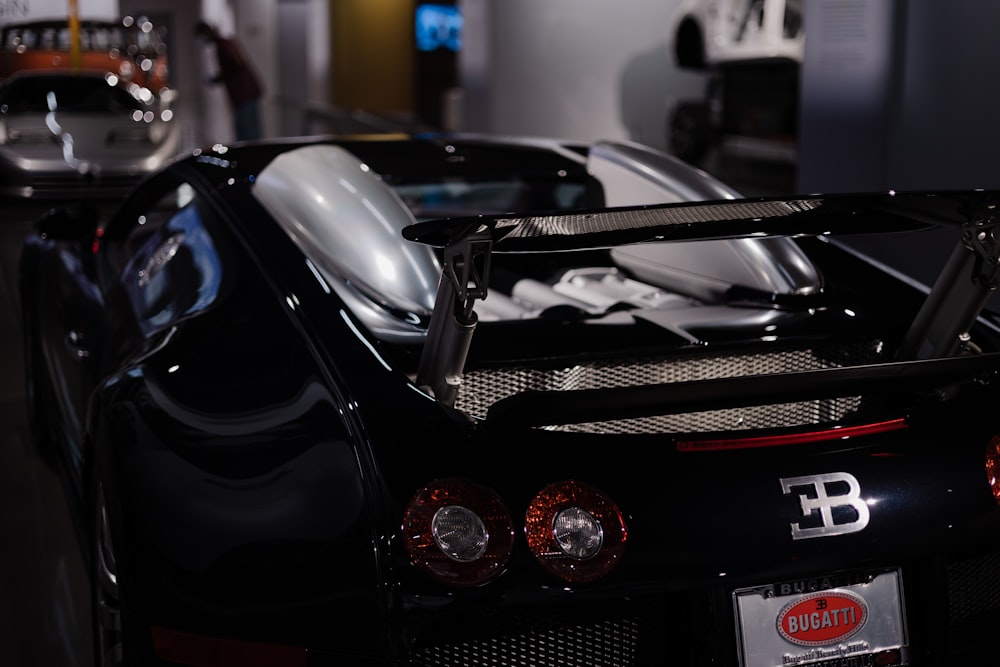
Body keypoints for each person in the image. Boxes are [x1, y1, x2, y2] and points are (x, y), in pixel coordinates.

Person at [194, 20, 264, 141]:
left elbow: (236, 65)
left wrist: (217, 78)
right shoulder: (223, 44)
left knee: (248, 134)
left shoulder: (223, 46)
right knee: (247, 131)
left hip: (244, 94)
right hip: (244, 95)